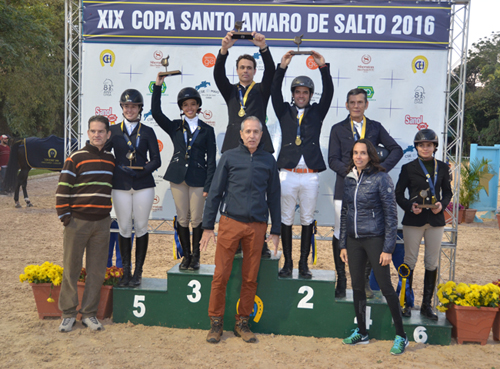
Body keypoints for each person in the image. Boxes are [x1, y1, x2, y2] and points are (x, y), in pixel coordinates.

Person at [200, 116, 280, 344]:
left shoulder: (268, 160)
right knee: (221, 275)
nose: (252, 135)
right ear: (241, 134)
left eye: (256, 132)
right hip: (230, 223)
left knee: (250, 277)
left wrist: (276, 229)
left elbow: (274, 195)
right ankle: (216, 323)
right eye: (248, 132)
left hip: (257, 226)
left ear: (261, 135)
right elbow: (215, 193)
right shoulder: (229, 157)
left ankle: (242, 322)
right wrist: (207, 227)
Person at [328, 88, 403, 298]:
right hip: (345, 188)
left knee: (370, 234)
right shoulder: (337, 129)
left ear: (366, 105)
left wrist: (379, 170)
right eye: (352, 102)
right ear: (346, 105)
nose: (356, 106)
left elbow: (396, 150)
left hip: (371, 192)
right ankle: (341, 280)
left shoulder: (375, 127)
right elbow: (332, 159)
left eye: (360, 102)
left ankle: (365, 283)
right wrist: (352, 173)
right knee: (339, 233)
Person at [339, 138, 408, 355]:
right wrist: (342, 244)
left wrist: (388, 248)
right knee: (357, 287)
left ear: (370, 156)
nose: (358, 157)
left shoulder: (381, 178)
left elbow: (391, 215)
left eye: (363, 153)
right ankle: (362, 332)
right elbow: (344, 213)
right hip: (353, 240)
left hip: (375, 239)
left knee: (386, 287)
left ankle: (401, 336)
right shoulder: (348, 179)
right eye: (355, 153)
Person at [271, 50, 333, 278]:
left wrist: (322, 67)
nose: (301, 95)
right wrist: (282, 67)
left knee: (307, 219)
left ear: (310, 95)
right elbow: (274, 91)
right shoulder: (284, 111)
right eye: (297, 92)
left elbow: (329, 93)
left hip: (310, 175)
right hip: (287, 173)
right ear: (293, 94)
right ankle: (288, 263)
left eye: (305, 92)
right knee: (286, 219)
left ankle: (303, 264)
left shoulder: (318, 112)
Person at [214, 30, 275, 258]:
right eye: (242, 68)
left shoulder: (261, 90)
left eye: (249, 67)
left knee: (262, 194)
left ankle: (263, 241)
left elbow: (272, 72)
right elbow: (218, 75)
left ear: (254, 70)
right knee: (232, 193)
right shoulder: (230, 90)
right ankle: (236, 239)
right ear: (237, 70)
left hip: (259, 149)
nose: (246, 71)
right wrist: (224, 50)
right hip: (233, 147)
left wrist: (264, 47)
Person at [151, 73, 217, 270]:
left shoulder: (207, 130)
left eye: (193, 104)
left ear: (198, 106)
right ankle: (185, 255)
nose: (189, 108)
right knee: (182, 218)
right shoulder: (174, 126)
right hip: (178, 177)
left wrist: (208, 184)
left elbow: (212, 159)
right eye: (185, 105)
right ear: (181, 107)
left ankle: (196, 256)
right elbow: (155, 112)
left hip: (198, 178)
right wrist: (158, 86)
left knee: (196, 218)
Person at [56, 115, 114, 332]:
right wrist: (65, 217)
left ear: (108, 134)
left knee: (97, 271)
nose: (97, 135)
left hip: (101, 224)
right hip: (77, 223)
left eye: (101, 131)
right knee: (71, 268)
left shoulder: (111, 160)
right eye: (93, 131)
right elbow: (63, 188)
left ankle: (89, 313)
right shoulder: (75, 158)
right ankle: (68, 314)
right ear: (88, 133)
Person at [105, 89, 161, 287]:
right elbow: (103, 153)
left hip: (143, 185)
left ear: (140, 108)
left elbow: (156, 160)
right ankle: (125, 271)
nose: (130, 110)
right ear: (122, 107)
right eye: (127, 106)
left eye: (134, 106)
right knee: (124, 227)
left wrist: (142, 171)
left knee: (141, 227)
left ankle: (138, 272)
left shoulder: (147, 131)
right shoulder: (112, 131)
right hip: (120, 185)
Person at [395, 129, 452, 320]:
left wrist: (441, 205)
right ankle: (405, 302)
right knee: (409, 261)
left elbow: (448, 193)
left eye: (429, 145)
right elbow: (398, 194)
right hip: (414, 220)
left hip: (435, 220)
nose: (425, 148)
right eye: (421, 145)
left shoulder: (443, 167)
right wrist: (410, 207)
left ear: (435, 147)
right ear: (416, 147)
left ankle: (427, 305)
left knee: (431, 262)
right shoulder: (408, 168)